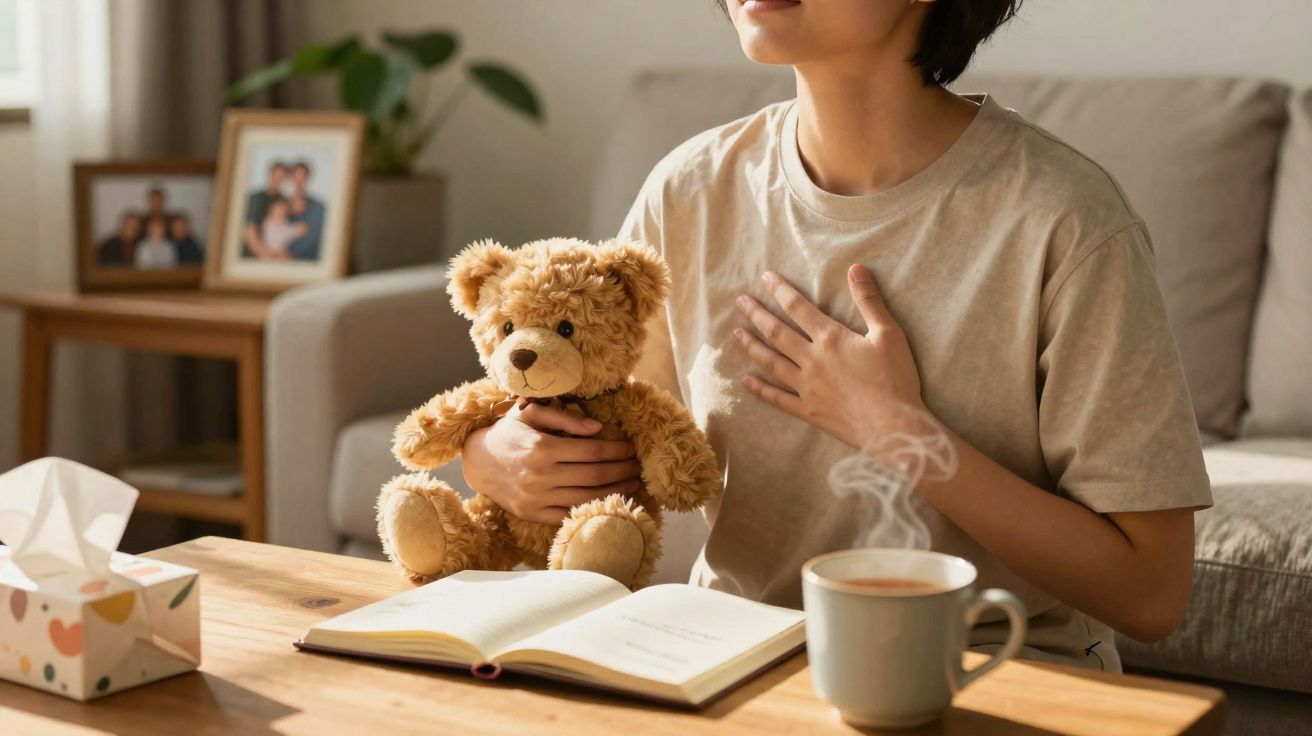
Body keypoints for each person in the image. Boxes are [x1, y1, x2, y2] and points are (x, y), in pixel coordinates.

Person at [457, 0, 1212, 673]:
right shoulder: (689, 191)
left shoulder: (1066, 221)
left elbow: (1150, 593)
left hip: (993, 670)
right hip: (737, 660)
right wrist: (496, 457)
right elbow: (614, 442)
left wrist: (901, 434)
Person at [243, 161, 288, 259]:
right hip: (254, 253)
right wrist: (266, 253)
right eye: (275, 176)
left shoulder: (284, 200)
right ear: (269, 175)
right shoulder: (256, 198)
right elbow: (249, 232)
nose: (277, 180)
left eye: (281, 177)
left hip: (276, 250)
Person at [286, 160, 326, 261]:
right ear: (290, 178)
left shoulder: (319, 208)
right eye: (296, 176)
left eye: (303, 177)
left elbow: (315, 237)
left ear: (308, 178)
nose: (299, 181)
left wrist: (291, 255)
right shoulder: (279, 205)